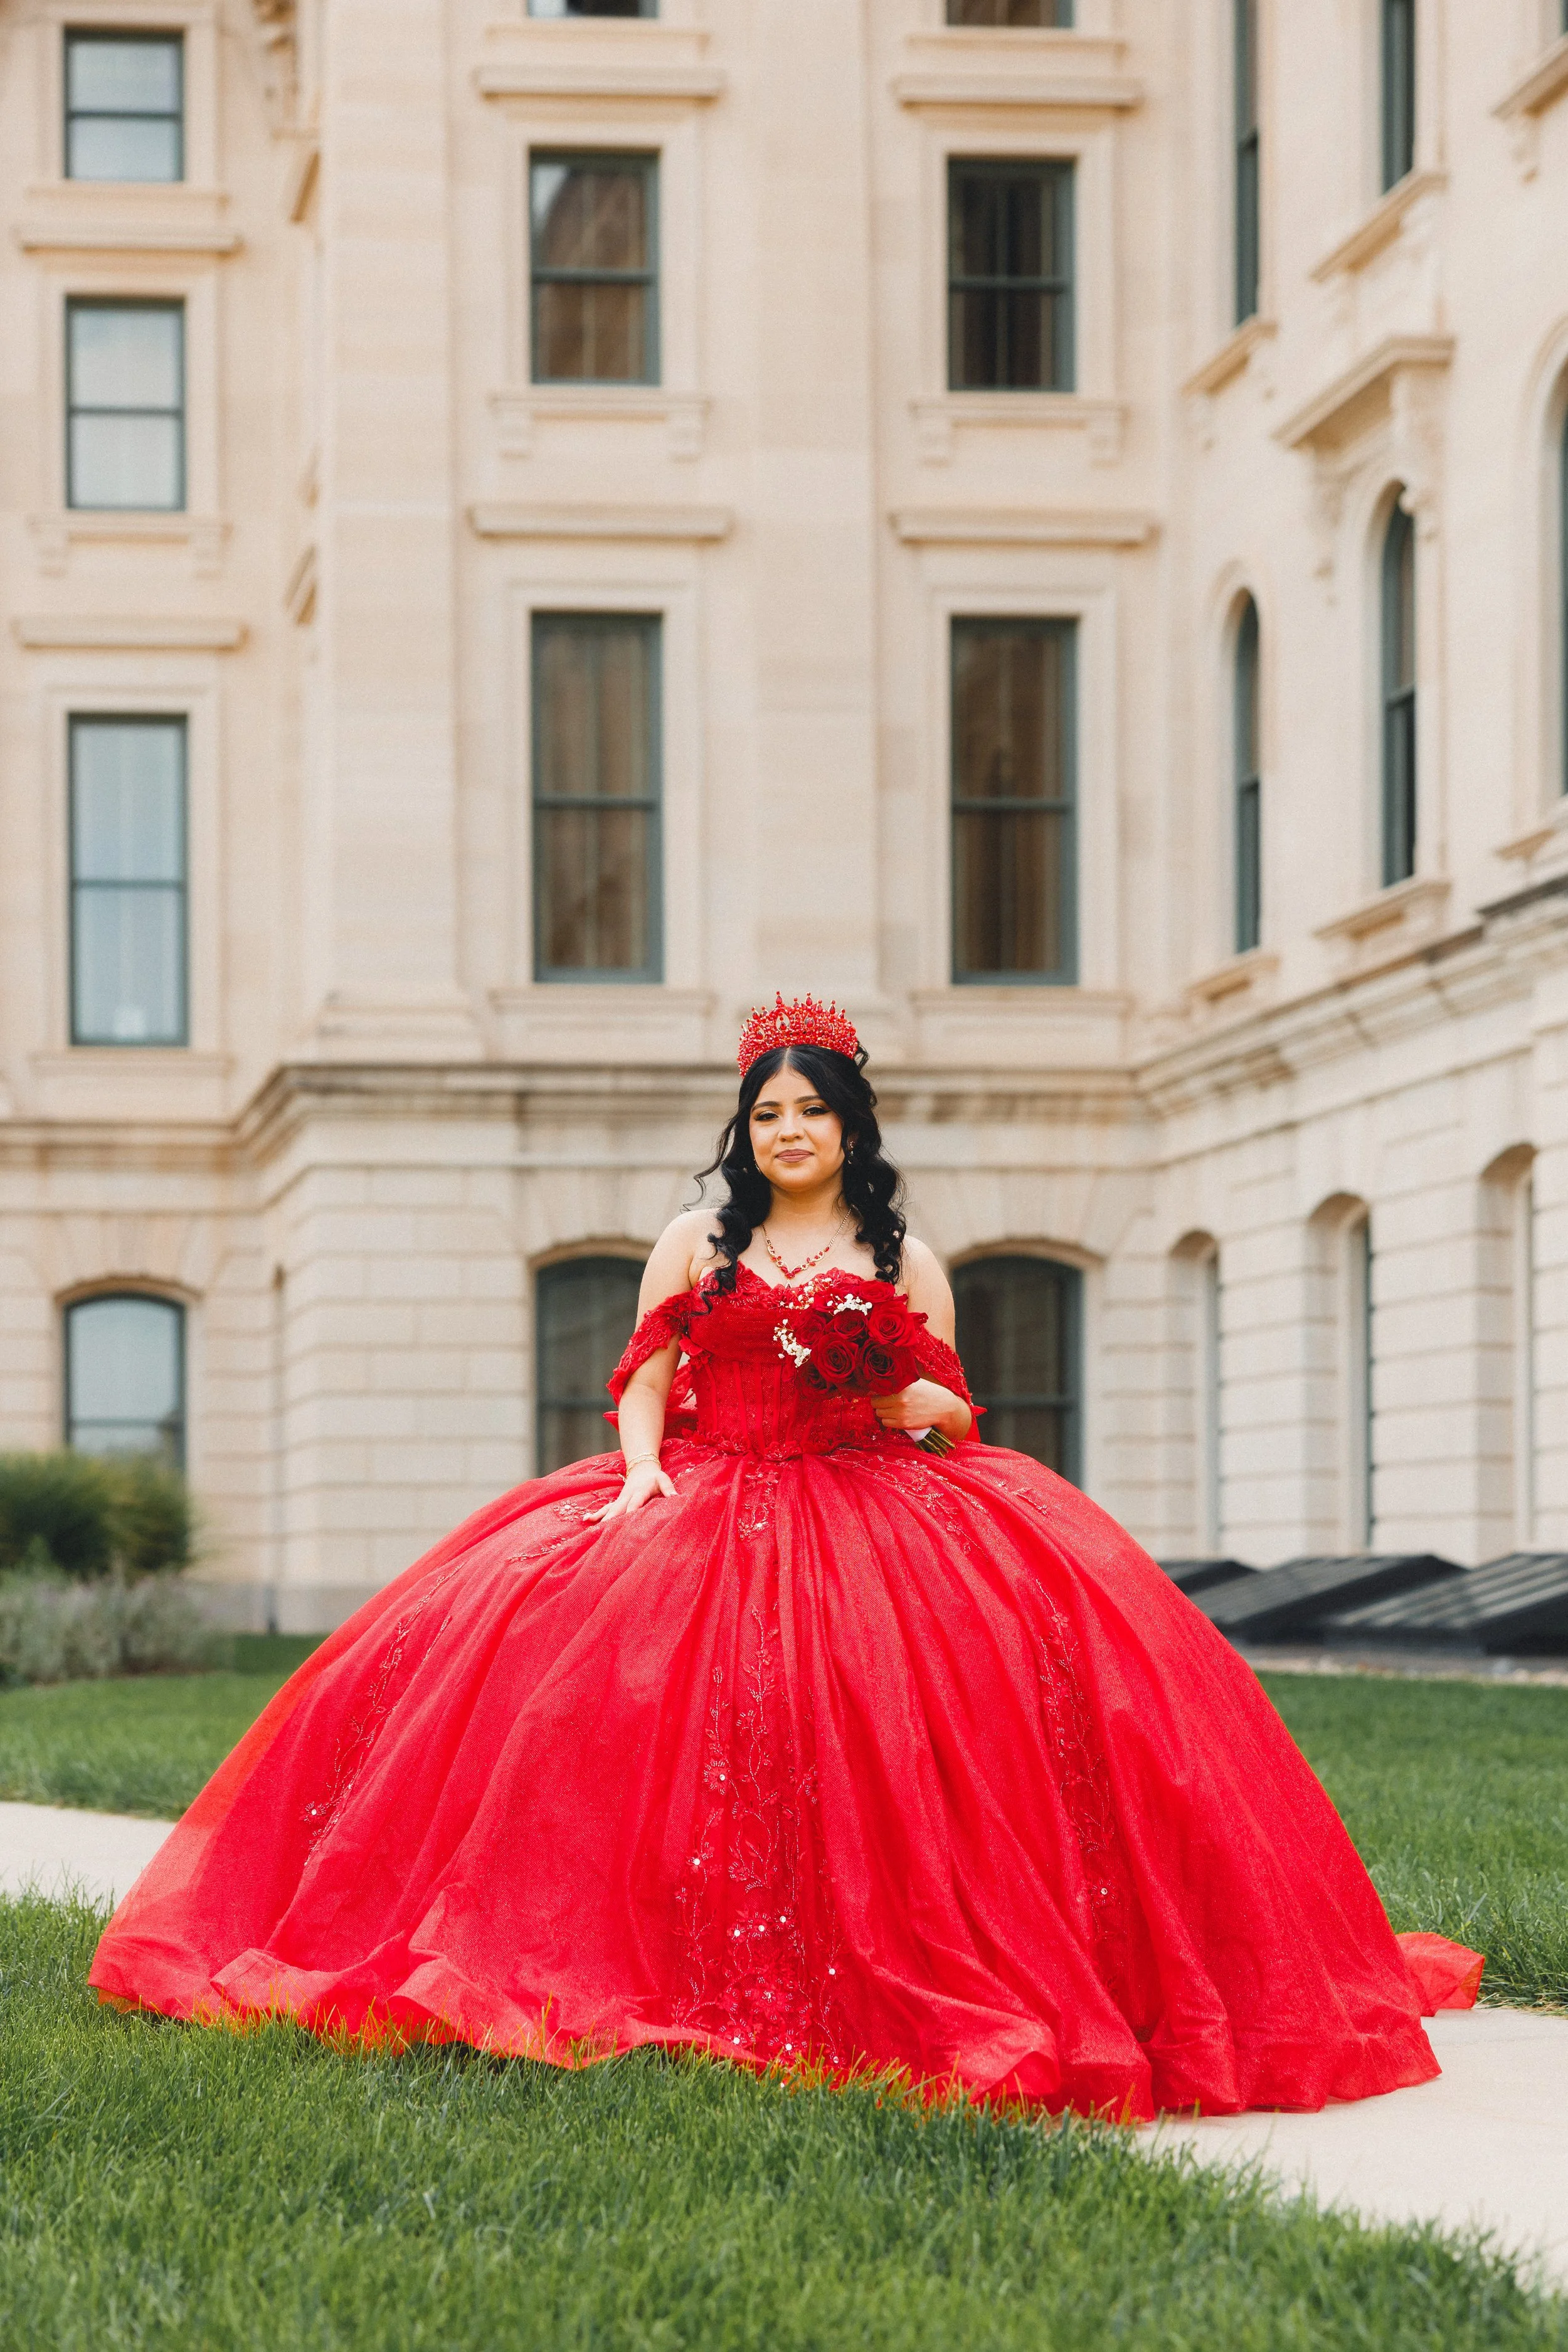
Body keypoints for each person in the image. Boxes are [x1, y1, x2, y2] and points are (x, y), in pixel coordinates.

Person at [90, 995, 1481, 2117]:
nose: (788, 1131)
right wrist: (637, 1477)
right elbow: (647, 1372)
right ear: (743, 1129)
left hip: (867, 1495)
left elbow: (948, 1407)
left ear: (849, 1123)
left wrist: (878, 1379)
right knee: (591, 1704)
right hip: (702, 1484)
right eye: (767, 1113)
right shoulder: (698, 1241)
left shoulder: (901, 1253)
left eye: (812, 1110)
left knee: (911, 1719)